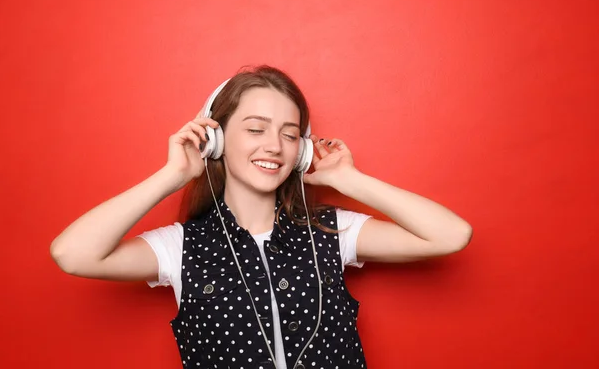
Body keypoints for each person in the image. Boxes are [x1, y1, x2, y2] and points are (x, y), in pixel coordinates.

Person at [50, 65, 473, 369]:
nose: (274, 145)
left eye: (290, 134)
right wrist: (171, 177)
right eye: (255, 129)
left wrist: (350, 180)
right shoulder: (179, 247)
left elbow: (451, 235)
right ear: (214, 139)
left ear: (301, 151)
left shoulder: (329, 232)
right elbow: (72, 254)